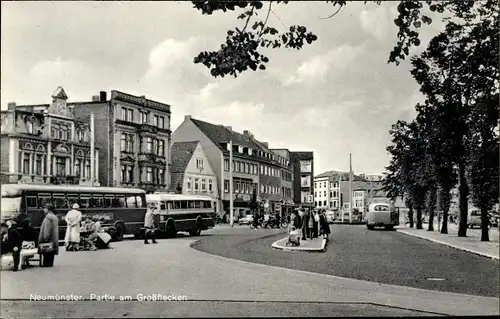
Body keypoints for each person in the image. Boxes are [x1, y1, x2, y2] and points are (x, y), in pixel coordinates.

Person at [38, 203, 59, 267]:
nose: (44, 210)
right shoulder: (54, 217)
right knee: (51, 251)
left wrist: (45, 237)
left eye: (44, 208)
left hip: (48, 239)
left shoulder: (48, 217)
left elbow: (47, 228)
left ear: (47, 209)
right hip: (53, 238)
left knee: (46, 250)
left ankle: (46, 264)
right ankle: (50, 263)